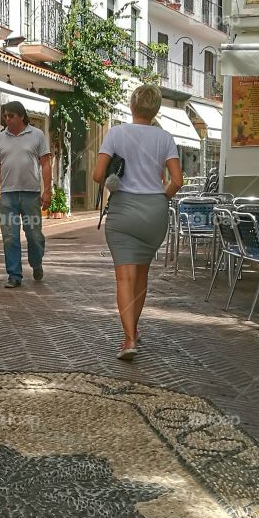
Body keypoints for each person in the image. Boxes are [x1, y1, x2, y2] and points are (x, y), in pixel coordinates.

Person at [92, 83, 183, 361]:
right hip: (154, 211)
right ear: (155, 109)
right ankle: (134, 330)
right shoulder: (165, 137)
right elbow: (177, 181)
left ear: (131, 106)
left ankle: (129, 338)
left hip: (124, 211)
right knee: (141, 276)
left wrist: (115, 181)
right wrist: (160, 198)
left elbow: (97, 175)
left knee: (124, 277)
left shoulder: (116, 133)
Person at [0, 101, 51, 288]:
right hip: (8, 195)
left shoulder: (37, 135)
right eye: (5, 116)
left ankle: (36, 263)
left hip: (31, 194)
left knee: (34, 235)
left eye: (11, 116)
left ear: (21, 116)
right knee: (10, 236)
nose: (7, 119)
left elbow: (46, 164)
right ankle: (14, 275)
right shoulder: (0, 138)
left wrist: (47, 190)